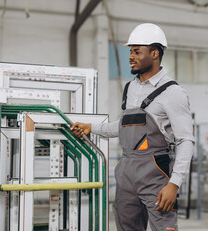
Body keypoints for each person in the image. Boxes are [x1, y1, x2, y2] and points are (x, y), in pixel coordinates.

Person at [70, 23, 194, 231]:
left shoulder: (173, 93)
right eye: (130, 51)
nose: (131, 56)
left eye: (137, 51)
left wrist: (174, 184)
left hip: (156, 173)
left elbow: (186, 140)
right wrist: (92, 127)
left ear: (154, 53)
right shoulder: (131, 88)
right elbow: (126, 127)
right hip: (127, 173)